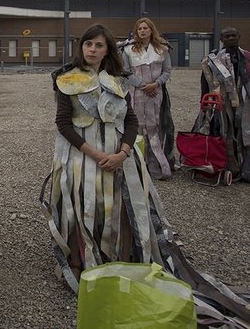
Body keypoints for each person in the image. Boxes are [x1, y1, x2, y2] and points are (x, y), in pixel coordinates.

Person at [45, 24, 171, 293]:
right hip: (81, 155)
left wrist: (123, 153)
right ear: (81, 46)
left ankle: (122, 259)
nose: (92, 50)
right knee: (78, 207)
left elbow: (131, 120)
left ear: (107, 50)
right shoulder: (67, 79)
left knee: (124, 207)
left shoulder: (119, 80)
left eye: (99, 45)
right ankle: (78, 261)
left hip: (119, 153)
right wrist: (94, 154)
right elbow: (63, 123)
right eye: (88, 44)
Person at [201, 26, 250, 183]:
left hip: (246, 104)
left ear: (239, 36)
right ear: (221, 39)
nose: (231, 38)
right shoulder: (212, 60)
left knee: (244, 133)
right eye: (227, 36)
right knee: (223, 132)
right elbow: (205, 82)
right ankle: (225, 164)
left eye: (233, 35)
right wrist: (204, 101)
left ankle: (243, 165)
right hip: (222, 104)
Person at [119, 18, 176, 179]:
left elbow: (167, 70)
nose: (142, 31)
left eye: (145, 28)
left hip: (156, 94)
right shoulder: (128, 49)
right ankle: (137, 163)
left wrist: (156, 84)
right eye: (139, 29)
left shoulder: (162, 49)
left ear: (151, 30)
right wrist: (144, 85)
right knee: (137, 126)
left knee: (155, 125)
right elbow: (126, 71)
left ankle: (155, 163)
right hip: (137, 93)